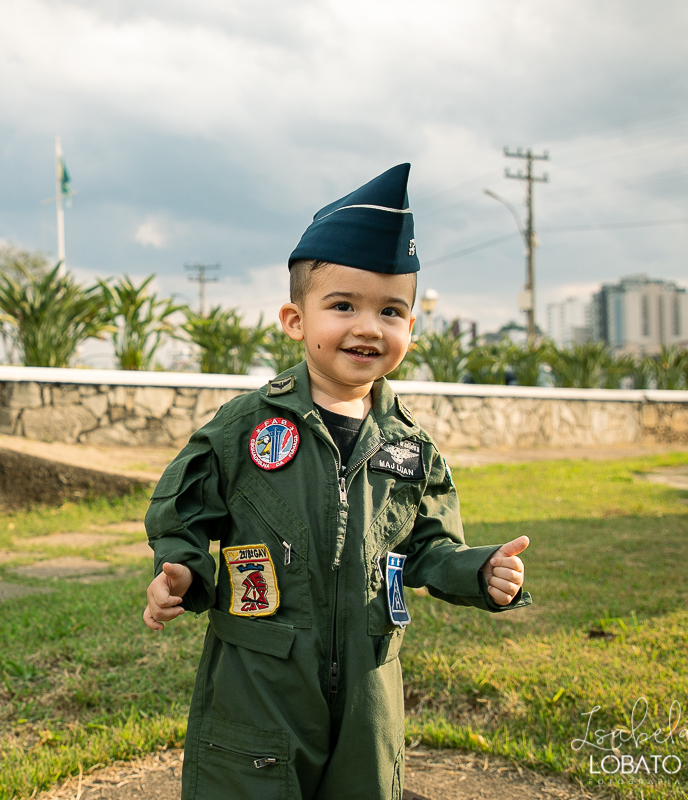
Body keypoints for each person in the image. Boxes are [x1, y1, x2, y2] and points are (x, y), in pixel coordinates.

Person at [142, 163, 532, 800]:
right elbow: (184, 509)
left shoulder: (411, 447)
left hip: (369, 686)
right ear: (296, 320)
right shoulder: (245, 426)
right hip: (260, 681)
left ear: (411, 327)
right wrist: (182, 571)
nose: (367, 327)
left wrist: (479, 571)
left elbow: (430, 547)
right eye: (343, 305)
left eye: (391, 311)